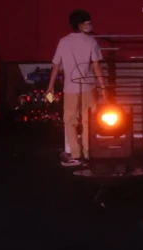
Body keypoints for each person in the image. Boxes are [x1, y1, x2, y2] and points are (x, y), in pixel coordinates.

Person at [46, 10, 106, 167]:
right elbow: (97, 67)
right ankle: (88, 154)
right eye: (86, 22)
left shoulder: (63, 42)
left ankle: (76, 155)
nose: (89, 25)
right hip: (89, 87)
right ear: (79, 25)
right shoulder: (91, 41)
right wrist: (103, 87)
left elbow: (56, 65)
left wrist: (50, 86)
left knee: (70, 121)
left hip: (70, 88)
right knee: (88, 122)